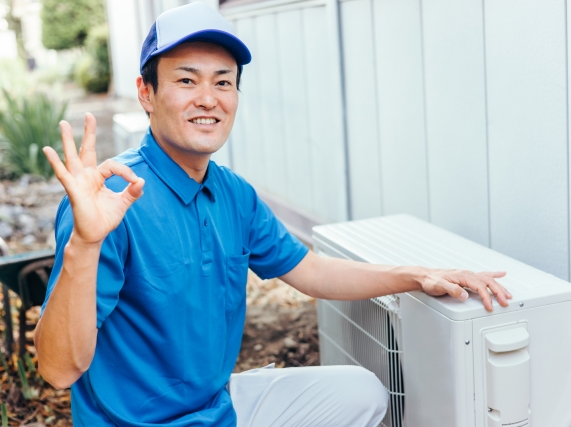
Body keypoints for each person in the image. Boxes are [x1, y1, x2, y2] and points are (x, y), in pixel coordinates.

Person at [34, 3, 511, 426]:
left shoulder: (233, 193)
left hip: (218, 409)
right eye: (186, 80)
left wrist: (419, 275)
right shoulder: (110, 200)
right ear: (146, 92)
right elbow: (57, 369)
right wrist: (85, 243)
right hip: (134, 422)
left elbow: (313, 271)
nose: (208, 98)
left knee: (362, 394)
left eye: (223, 82)